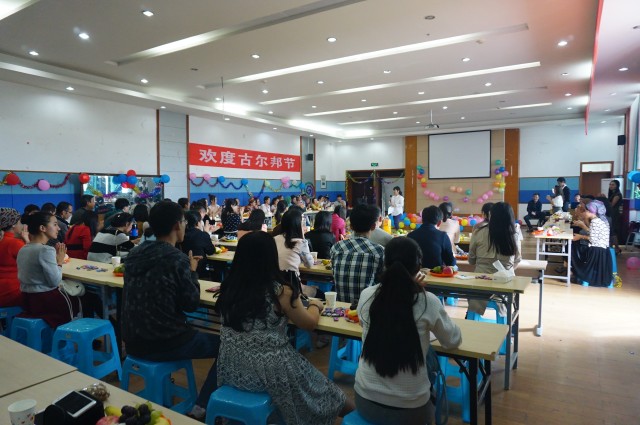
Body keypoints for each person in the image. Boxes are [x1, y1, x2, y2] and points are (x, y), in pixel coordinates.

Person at [216, 231, 353, 424]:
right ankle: (360, 416)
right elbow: (309, 323)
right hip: (271, 369)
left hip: (232, 368)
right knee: (326, 391)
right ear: (271, 258)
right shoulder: (280, 291)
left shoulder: (228, 288)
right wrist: (315, 305)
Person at [121, 201, 220, 420]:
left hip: (132, 341)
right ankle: (201, 408)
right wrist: (192, 272)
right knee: (228, 346)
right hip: (164, 341)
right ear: (177, 225)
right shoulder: (176, 259)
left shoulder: (135, 254)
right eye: (184, 222)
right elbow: (191, 304)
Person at [355, 237, 462, 425]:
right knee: (430, 358)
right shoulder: (428, 301)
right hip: (411, 411)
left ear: (385, 264)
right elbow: (452, 341)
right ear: (419, 267)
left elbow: (372, 326)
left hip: (364, 401)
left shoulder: (366, 295)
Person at [18, 212, 100, 327]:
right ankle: (85, 331)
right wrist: (60, 261)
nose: (59, 228)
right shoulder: (46, 250)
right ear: (42, 228)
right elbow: (55, 281)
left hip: (27, 300)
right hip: (46, 301)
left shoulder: (23, 249)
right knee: (90, 298)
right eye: (55, 224)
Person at [468, 202, 521, 315]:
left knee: (472, 299)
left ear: (491, 215)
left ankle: (472, 317)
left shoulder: (479, 231)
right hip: (505, 286)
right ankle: (505, 321)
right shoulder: (514, 234)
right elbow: (517, 260)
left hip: (480, 285)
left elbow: (471, 260)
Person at [331, 204, 385, 303]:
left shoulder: (336, 248)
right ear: (373, 226)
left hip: (340, 307)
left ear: (351, 226)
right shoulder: (379, 251)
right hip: (366, 307)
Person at [274, 209, 318, 298]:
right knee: (317, 291)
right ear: (298, 225)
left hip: (276, 286)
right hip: (293, 287)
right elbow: (309, 264)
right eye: (303, 223)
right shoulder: (300, 242)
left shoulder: (274, 239)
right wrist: (303, 236)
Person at [570, 200, 613, 286]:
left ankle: (577, 273)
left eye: (586, 210)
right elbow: (594, 234)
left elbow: (593, 239)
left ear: (591, 212)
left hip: (596, 250)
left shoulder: (595, 221)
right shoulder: (603, 220)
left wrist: (580, 236)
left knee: (573, 249)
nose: (585, 212)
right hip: (604, 250)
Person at [0, 208, 27, 307]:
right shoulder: (15, 243)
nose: (22, 225)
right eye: (20, 222)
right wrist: (27, 241)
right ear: (13, 225)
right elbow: (33, 262)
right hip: (12, 292)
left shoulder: (4, 239)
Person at [179, 211, 215, 278]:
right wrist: (206, 233)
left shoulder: (180, 235)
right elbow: (211, 251)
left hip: (183, 272)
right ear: (198, 223)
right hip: (200, 272)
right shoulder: (203, 235)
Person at [608, 180, 622, 254]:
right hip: (611, 213)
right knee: (611, 231)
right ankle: (613, 247)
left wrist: (605, 202)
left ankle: (616, 248)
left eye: (613, 184)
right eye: (610, 184)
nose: (611, 186)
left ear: (617, 186)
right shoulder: (612, 194)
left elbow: (612, 204)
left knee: (613, 231)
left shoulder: (617, 194)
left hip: (614, 214)